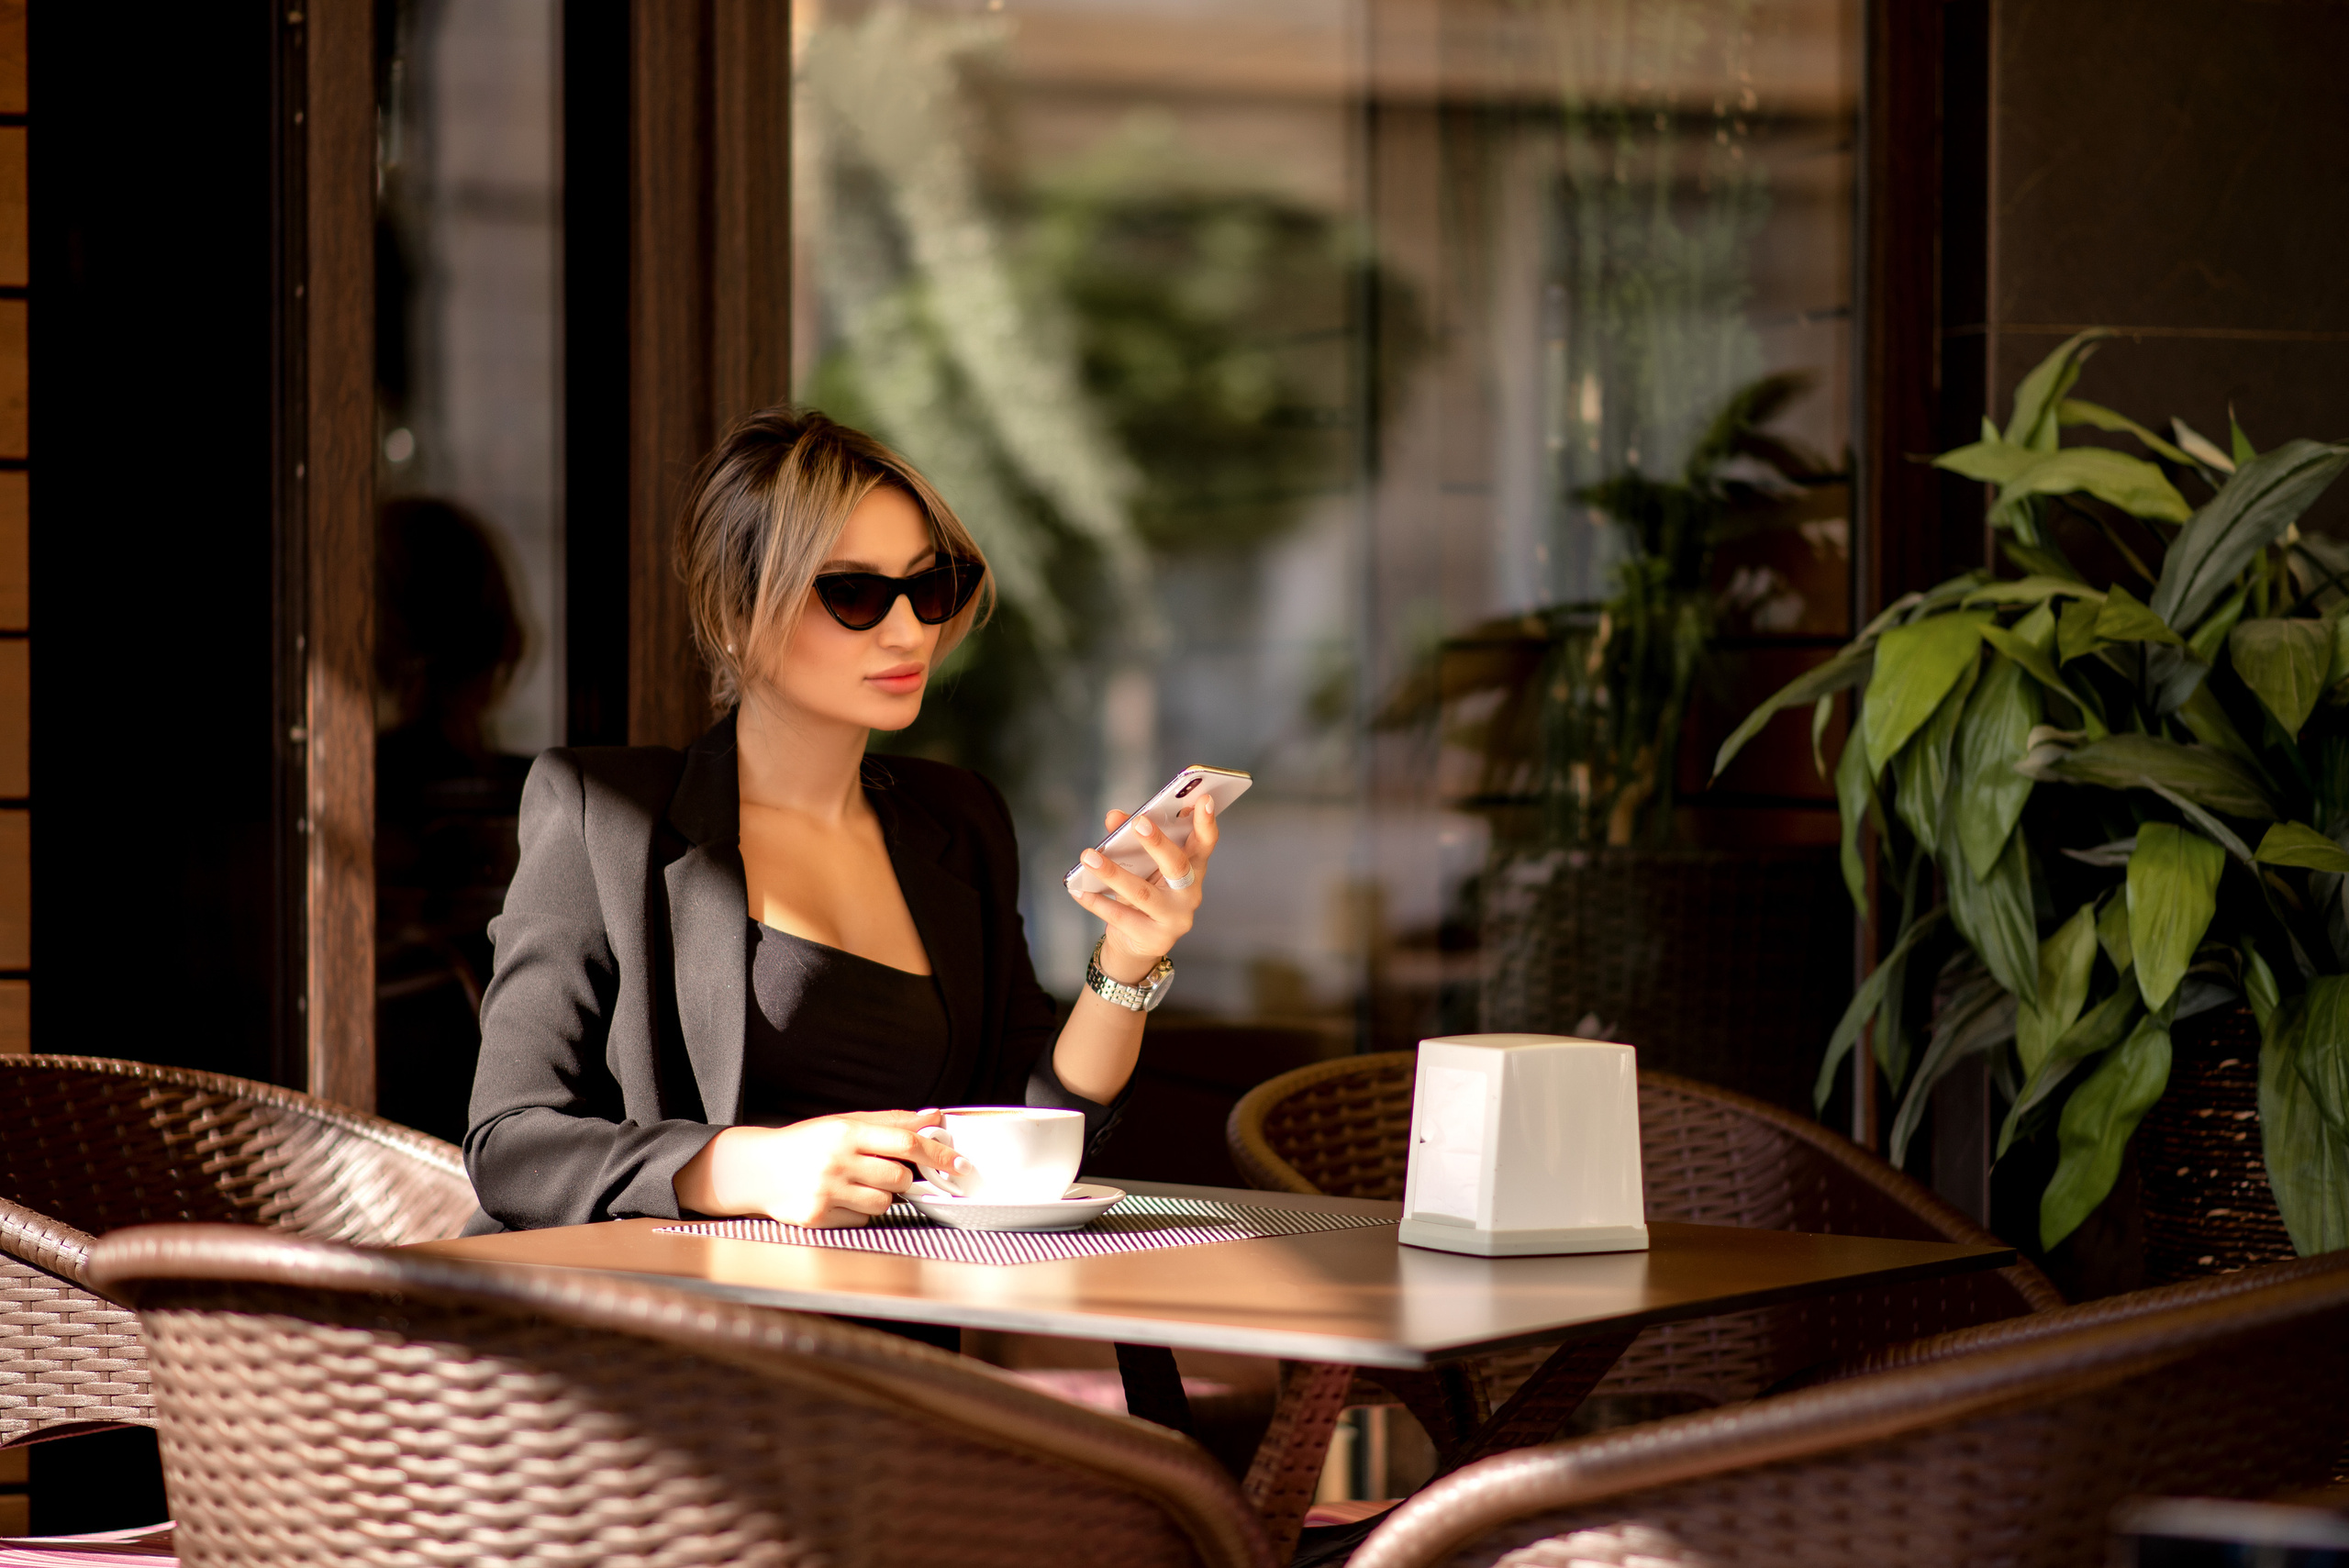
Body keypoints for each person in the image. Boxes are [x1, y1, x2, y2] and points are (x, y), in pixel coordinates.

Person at [463, 407, 1214, 1235]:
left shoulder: (959, 821)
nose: (910, 629)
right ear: (737, 614)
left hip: (896, 1321)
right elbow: (512, 1146)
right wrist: (747, 1164)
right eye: (853, 592)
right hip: (670, 1335)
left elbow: (1024, 1116)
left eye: (929, 587)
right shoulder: (603, 814)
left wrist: (1129, 960)